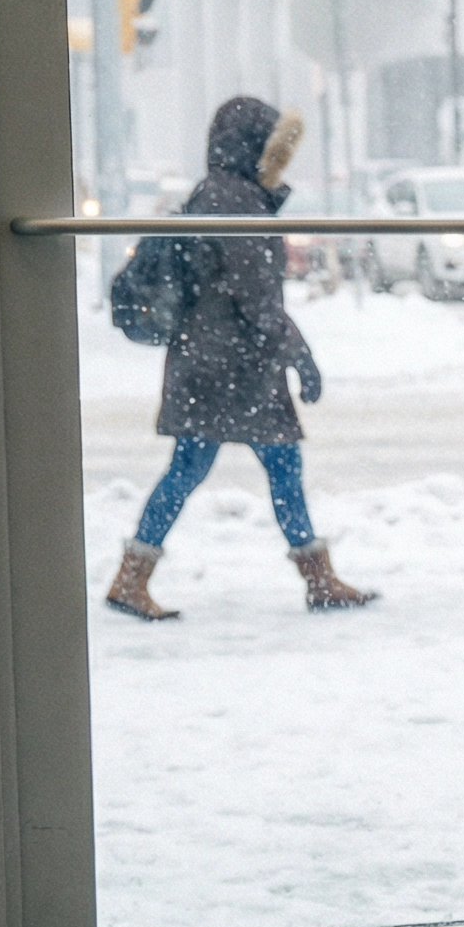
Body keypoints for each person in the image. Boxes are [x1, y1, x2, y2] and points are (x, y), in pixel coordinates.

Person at [103, 95, 375, 619]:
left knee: (205, 467)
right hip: (235, 363)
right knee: (263, 467)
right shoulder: (238, 201)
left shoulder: (217, 193)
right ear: (254, 147)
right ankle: (315, 581)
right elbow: (256, 297)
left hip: (209, 357)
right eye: (275, 150)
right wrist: (302, 355)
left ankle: (132, 577)